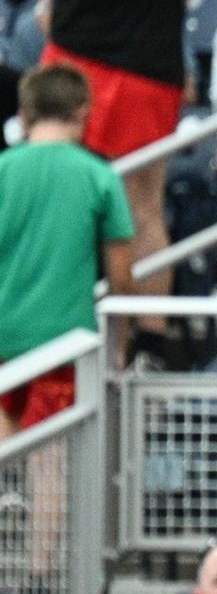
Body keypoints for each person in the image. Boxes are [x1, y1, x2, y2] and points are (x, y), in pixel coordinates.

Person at [38, 0, 194, 364]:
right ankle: (54, 338)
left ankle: (146, 344)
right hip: (71, 42)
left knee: (139, 204)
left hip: (139, 56)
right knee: (54, 197)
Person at [0, 64, 133, 440]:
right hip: (64, 343)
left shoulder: (2, 169)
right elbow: (122, 274)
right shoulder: (98, 176)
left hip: (2, 336)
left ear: (24, 116)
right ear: (83, 112)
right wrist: (118, 344)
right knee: (51, 470)